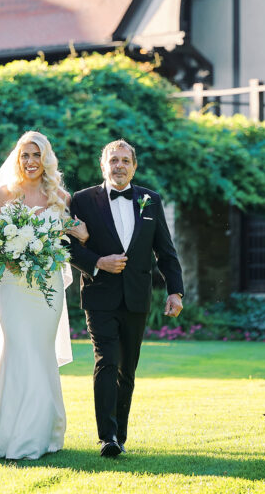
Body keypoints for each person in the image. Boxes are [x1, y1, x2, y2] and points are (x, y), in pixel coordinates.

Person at [68, 138, 184, 459]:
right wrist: (96, 262)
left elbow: (165, 250)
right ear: (103, 165)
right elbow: (68, 246)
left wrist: (175, 290)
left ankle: (120, 433)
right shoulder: (81, 200)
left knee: (127, 369)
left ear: (134, 166)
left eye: (125, 161)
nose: (119, 166)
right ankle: (107, 437)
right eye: (113, 160)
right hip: (99, 294)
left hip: (137, 297)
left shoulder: (151, 200)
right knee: (107, 361)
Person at [0, 130, 89, 459]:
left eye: (36, 155)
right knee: (18, 348)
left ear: (46, 159)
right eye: (25, 155)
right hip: (11, 286)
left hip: (47, 288)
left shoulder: (61, 197)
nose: (30, 161)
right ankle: (9, 434)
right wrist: (13, 253)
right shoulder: (3, 193)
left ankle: (44, 432)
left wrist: (77, 234)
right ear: (17, 159)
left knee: (40, 352)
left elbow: (78, 235)